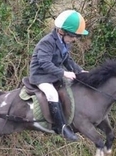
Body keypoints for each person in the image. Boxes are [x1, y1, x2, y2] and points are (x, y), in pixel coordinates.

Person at [29, 10, 89, 142]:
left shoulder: (65, 43)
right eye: (73, 36)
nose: (74, 39)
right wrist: (64, 73)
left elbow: (68, 61)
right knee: (52, 94)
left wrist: (80, 71)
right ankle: (61, 127)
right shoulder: (47, 42)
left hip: (53, 75)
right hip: (41, 76)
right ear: (61, 32)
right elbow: (45, 64)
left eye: (76, 37)